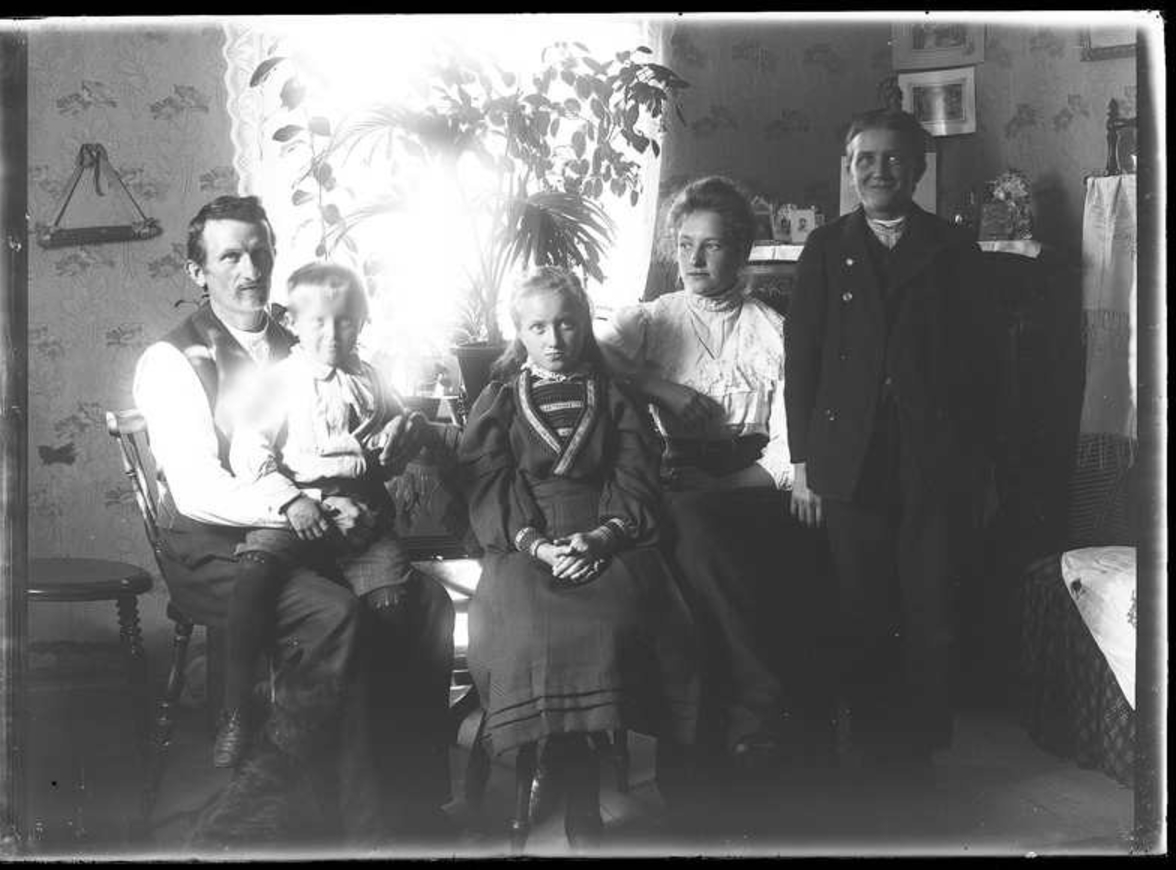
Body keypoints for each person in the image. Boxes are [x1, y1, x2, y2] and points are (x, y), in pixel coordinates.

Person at [133, 195, 454, 845]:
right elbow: (197, 490)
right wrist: (315, 509)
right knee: (334, 615)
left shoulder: (308, 336)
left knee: (426, 603)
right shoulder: (174, 360)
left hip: (314, 537)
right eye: (230, 256)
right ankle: (314, 813)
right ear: (198, 271)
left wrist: (402, 430)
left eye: (260, 252)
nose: (250, 269)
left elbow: (365, 419)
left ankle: (411, 800)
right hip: (217, 546)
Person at [597, 176, 833, 776]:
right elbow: (585, 352)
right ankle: (752, 706)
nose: (694, 259)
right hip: (673, 476)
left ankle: (741, 711)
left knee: (696, 525)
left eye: (712, 245)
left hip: (749, 486)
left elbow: (789, 444)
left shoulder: (771, 330)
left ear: (741, 251)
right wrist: (659, 387)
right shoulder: (653, 321)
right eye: (684, 245)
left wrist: (726, 484)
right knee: (687, 525)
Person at [458, 267, 700, 849]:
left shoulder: (613, 394)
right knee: (527, 625)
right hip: (524, 542)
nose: (554, 339)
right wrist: (538, 545)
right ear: (519, 331)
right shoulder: (500, 400)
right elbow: (488, 483)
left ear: (585, 324)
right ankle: (571, 773)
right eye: (538, 327)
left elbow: (634, 474)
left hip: (607, 532)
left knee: (621, 617)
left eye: (567, 324)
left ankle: (585, 772)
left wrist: (602, 538)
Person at [784, 109, 994, 777]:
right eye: (865, 159)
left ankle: (919, 747)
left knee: (929, 602)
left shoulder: (953, 248)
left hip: (931, 456)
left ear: (919, 169)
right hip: (848, 457)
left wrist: (979, 467)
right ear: (849, 169)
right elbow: (802, 361)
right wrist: (803, 464)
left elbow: (983, 366)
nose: (879, 171)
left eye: (894, 158)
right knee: (860, 601)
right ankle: (868, 742)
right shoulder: (826, 248)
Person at [214, 261, 436, 770]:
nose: (333, 334)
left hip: (360, 512)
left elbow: (397, 425)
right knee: (256, 568)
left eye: (345, 321)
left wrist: (400, 429)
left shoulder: (370, 378)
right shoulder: (279, 382)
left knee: (393, 599)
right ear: (292, 322)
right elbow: (249, 450)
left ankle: (378, 729)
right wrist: (291, 501)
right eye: (318, 322)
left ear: (362, 323)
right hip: (297, 504)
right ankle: (236, 707)